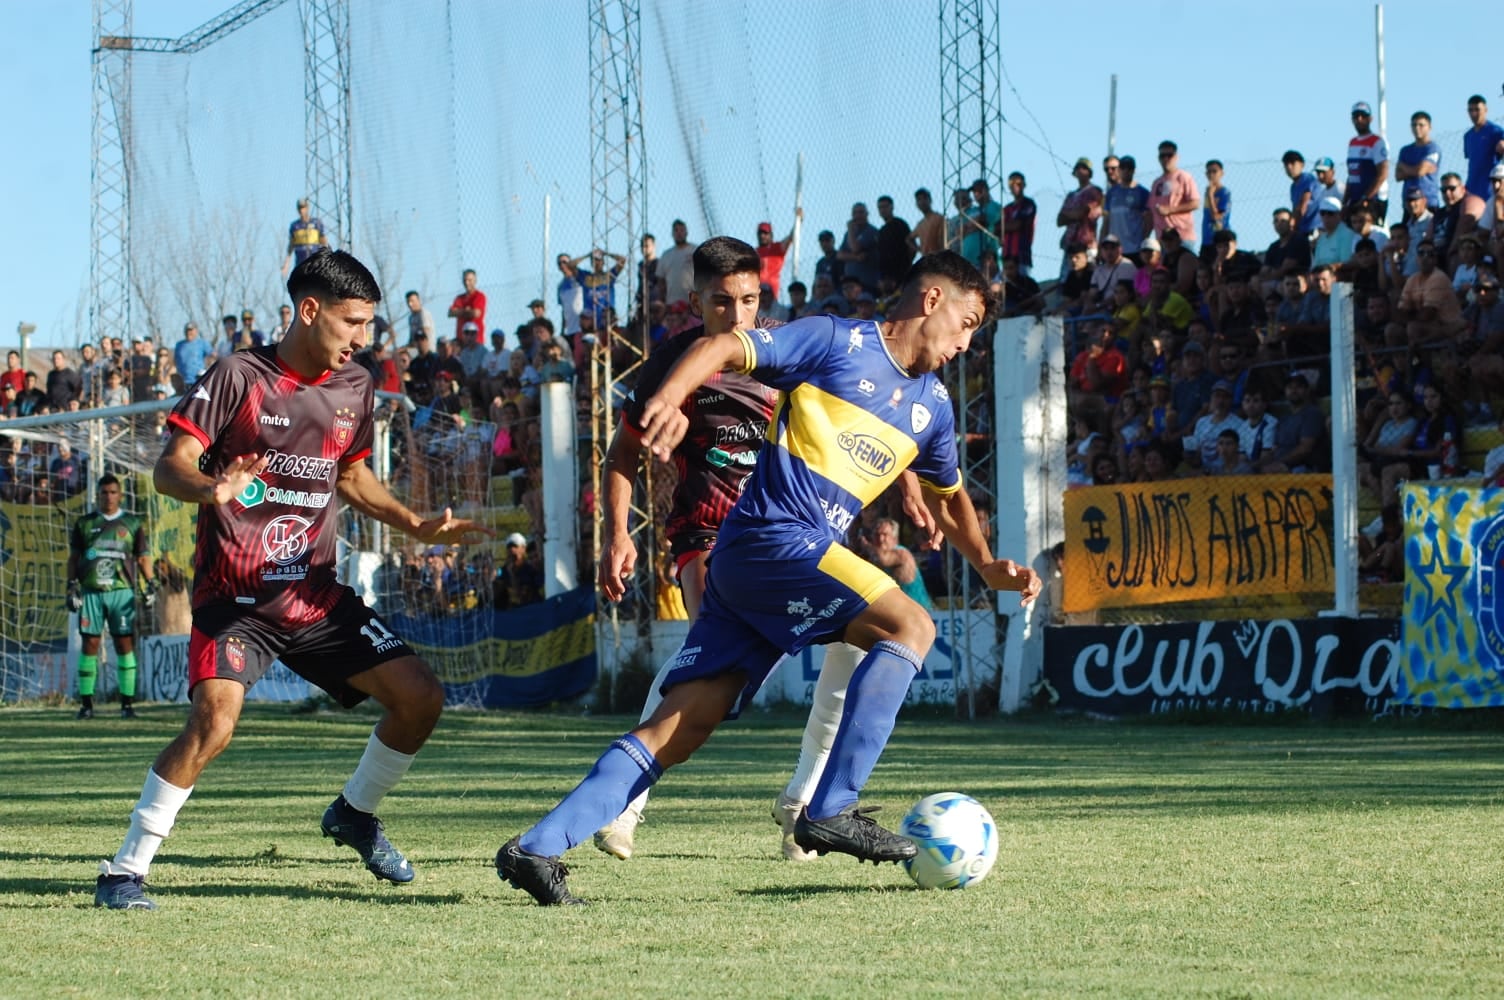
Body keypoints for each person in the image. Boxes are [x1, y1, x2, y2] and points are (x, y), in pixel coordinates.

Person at [495, 251, 1040, 905]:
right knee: (911, 624)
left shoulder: (934, 408)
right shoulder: (836, 340)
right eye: (967, 322)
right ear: (931, 301)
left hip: (752, 569)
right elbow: (725, 345)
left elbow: (948, 496)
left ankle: (538, 847)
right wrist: (669, 396)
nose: (966, 343)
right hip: (772, 542)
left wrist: (985, 563)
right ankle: (828, 807)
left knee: (681, 726)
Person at [91, 250, 487, 911]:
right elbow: (170, 467)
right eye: (352, 322)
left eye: (367, 324)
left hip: (316, 597)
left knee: (421, 700)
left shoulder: (355, 386)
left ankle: (354, 814)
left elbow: (352, 475)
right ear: (310, 311)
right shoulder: (238, 376)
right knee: (215, 722)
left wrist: (415, 524)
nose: (362, 338)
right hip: (237, 602)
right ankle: (124, 872)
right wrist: (212, 487)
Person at [592, 237, 912, 863]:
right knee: (705, 662)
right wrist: (615, 537)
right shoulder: (675, 364)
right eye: (720, 303)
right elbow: (621, 456)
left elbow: (867, 414)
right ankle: (624, 804)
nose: (736, 317)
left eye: (747, 300)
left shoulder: (787, 351)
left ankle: (804, 801)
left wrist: (909, 486)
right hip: (709, 536)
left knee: (859, 647)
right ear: (695, 301)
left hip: (801, 533)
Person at [67, 474, 155, 721]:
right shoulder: (85, 523)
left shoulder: (132, 523)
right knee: (90, 645)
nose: (109, 497)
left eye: (113, 492)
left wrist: (150, 583)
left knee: (124, 645)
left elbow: (143, 557)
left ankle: (127, 705)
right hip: (92, 592)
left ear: (121, 495)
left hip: (122, 591)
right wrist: (71, 586)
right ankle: (86, 705)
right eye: (104, 492)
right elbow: (73, 559)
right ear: (97, 495)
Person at [1345, 101, 1389, 221]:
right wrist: (1345, 200)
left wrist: (1366, 197)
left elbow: (1382, 173)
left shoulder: (1376, 142)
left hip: (1371, 200)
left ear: (1370, 118)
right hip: (1354, 199)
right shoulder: (1352, 142)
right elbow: (1351, 174)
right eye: (1356, 116)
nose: (1359, 119)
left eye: (1363, 116)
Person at [281, 197, 328, 275]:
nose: (301, 210)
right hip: (301, 262)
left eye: (303, 208)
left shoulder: (316, 223)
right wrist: (286, 264)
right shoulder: (295, 226)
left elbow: (324, 242)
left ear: (307, 208)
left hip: (315, 261)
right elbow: (291, 245)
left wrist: (327, 259)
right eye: (300, 208)